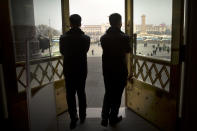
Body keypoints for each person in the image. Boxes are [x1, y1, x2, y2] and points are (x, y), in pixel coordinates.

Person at [59, 14, 90, 129]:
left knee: (70, 95)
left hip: (69, 69)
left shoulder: (63, 38)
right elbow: (85, 51)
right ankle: (83, 115)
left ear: (70, 24)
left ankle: (73, 118)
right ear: (80, 23)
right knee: (81, 92)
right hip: (81, 69)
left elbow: (62, 52)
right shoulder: (86, 38)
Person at [100, 13, 131, 127]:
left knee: (108, 93)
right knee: (117, 95)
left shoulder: (103, 38)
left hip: (107, 70)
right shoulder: (125, 37)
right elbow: (128, 51)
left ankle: (104, 117)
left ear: (110, 22)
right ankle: (113, 117)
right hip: (120, 70)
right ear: (120, 22)